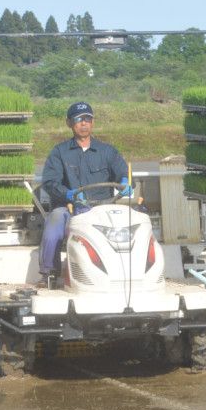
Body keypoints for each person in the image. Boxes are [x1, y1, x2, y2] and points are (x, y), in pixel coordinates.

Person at [38, 101, 132, 286]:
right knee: (54, 220)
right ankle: (48, 273)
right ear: (69, 123)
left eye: (87, 119)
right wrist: (69, 194)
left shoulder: (108, 151)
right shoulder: (59, 152)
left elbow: (124, 173)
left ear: (93, 122)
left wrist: (126, 182)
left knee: (134, 220)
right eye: (79, 119)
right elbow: (50, 183)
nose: (83, 123)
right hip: (70, 208)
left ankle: (127, 272)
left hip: (103, 208)